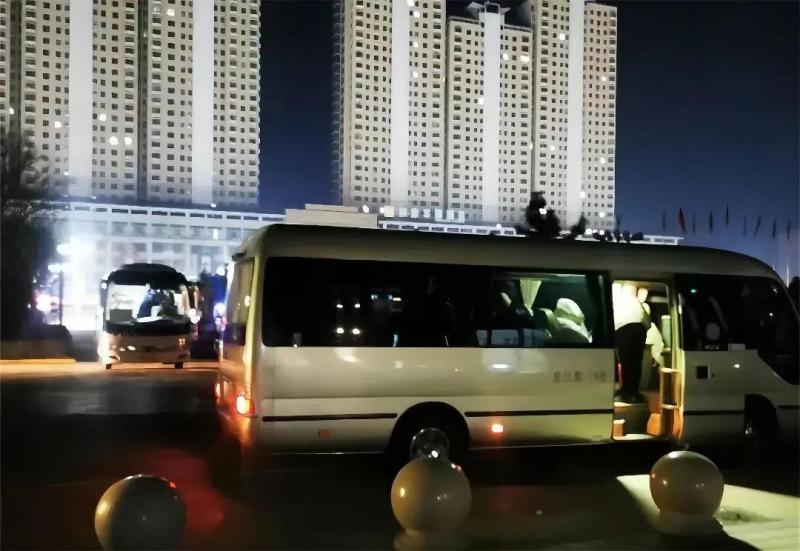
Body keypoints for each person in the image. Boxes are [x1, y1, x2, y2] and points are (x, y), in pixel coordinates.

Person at [612, 283, 648, 403]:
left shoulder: (616, 286)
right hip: (640, 324)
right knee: (635, 362)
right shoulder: (636, 285)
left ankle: (625, 392)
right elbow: (643, 295)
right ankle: (632, 392)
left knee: (624, 360)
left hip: (623, 323)